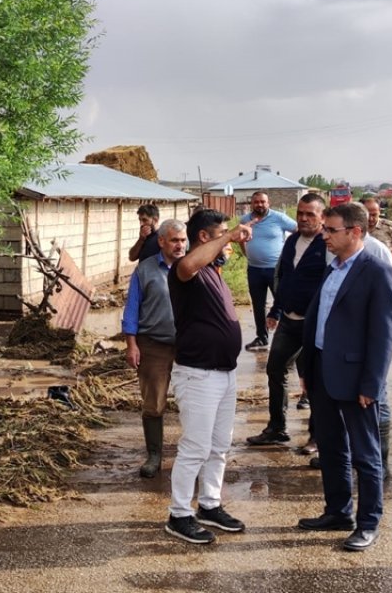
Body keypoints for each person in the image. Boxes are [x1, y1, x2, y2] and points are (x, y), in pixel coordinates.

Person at [297, 202, 392, 551]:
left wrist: (372, 385)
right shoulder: (333, 268)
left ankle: (368, 522)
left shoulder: (377, 271)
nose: (324, 235)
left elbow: (383, 335)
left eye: (331, 230)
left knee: (365, 453)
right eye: (325, 229)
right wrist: (307, 371)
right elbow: (318, 321)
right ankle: (338, 511)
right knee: (330, 447)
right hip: (324, 373)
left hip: (357, 380)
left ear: (355, 232)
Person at [163, 209, 252, 544]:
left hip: (224, 373)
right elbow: (185, 265)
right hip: (198, 375)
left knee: (218, 447)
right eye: (221, 232)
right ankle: (179, 514)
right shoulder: (186, 269)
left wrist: (235, 242)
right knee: (195, 448)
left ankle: (210, 504)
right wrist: (226, 237)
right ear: (205, 236)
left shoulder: (213, 268)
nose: (228, 236)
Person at [247, 193, 327, 446]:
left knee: (314, 378)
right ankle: (277, 428)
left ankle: (317, 436)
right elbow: (284, 277)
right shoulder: (292, 241)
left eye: (309, 214)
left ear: (322, 217)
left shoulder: (328, 244)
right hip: (290, 321)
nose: (303, 218)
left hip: (314, 325)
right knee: (275, 370)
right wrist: (276, 310)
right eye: (300, 213)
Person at [122, 219, 187, 478]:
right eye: (174, 240)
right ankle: (154, 455)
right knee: (153, 403)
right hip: (153, 345)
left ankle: (192, 454)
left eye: (183, 240)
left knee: (193, 402)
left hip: (187, 345)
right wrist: (131, 344)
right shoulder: (145, 270)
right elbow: (132, 308)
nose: (180, 245)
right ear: (161, 241)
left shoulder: (193, 266)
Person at [240, 191, 297, 351]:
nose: (259, 204)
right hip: (254, 270)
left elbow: (298, 231)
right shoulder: (245, 220)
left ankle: (287, 340)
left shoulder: (279, 218)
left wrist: (290, 256)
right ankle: (262, 337)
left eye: (262, 202)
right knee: (258, 305)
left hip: (276, 270)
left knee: (284, 304)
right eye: (256, 202)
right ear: (251, 203)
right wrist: (248, 254)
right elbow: (240, 238)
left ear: (268, 203)